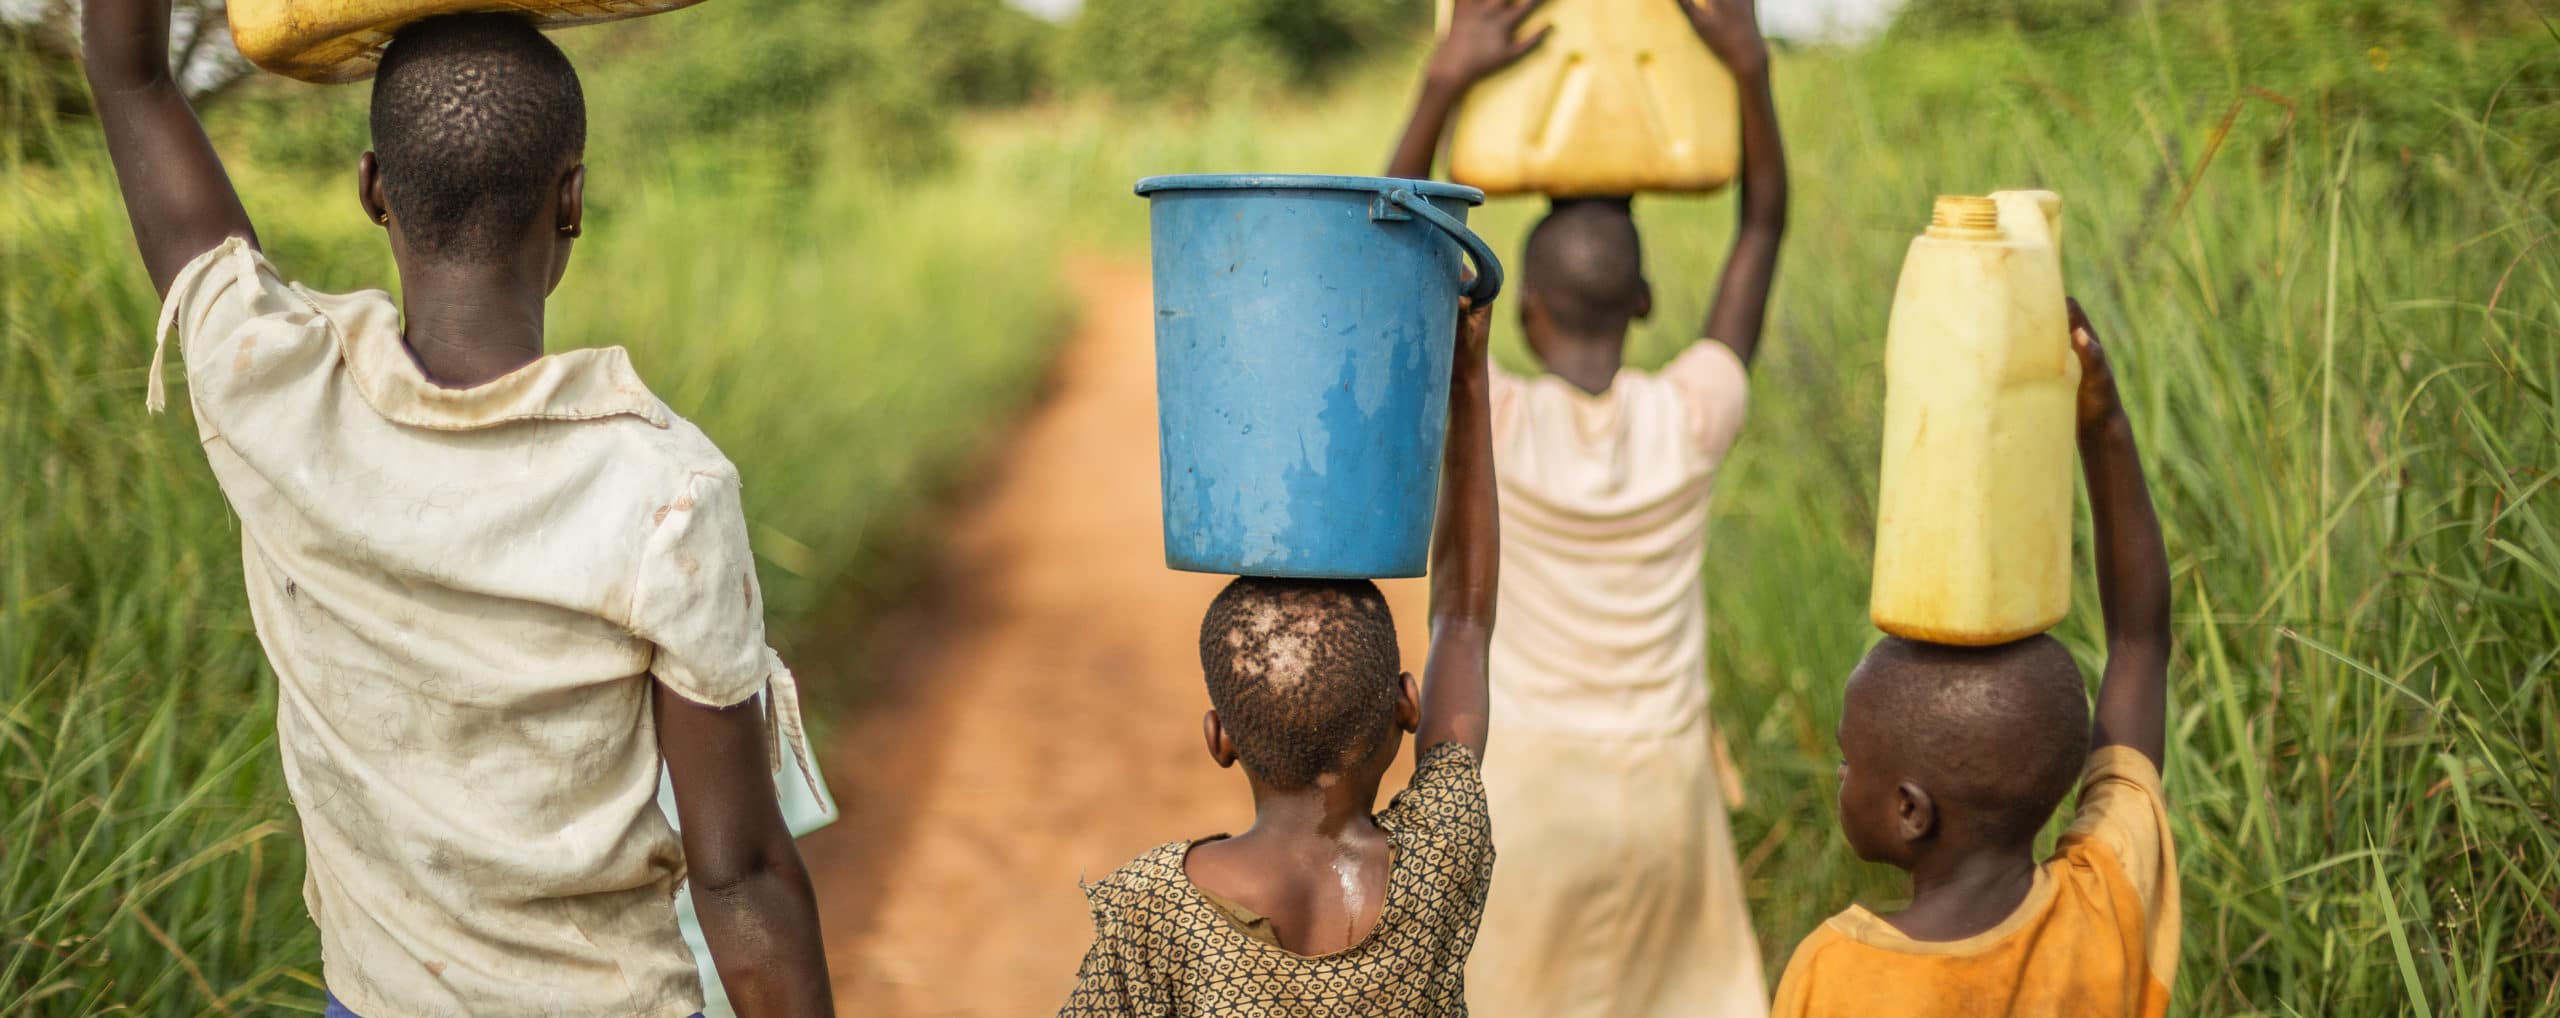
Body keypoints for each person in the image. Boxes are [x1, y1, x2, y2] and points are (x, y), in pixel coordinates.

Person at [82, 6, 833, 1015]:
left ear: (372, 190)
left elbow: (132, 82)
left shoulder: (276, 391)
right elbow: (738, 877)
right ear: (571, 199)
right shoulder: (665, 493)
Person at [1381, 0, 1788, 1014]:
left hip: (1526, 795)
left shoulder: (1494, 421)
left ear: (1526, 311)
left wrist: (1446, 77)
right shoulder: (1688, 419)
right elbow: (1762, 226)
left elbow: (1387, 265)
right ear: (1645, 303)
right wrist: (1749, 70)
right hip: (1665, 797)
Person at [1057, 297, 1501, 1015]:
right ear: (1407, 705)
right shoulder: (1437, 861)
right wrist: (1468, 380)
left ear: (1220, 738)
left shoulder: (1152, 914)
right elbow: (1464, 621)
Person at [1770, 302, 2176, 1017]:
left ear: (1909, 811)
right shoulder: (2107, 898)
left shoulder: (1837, 976)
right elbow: (2140, 644)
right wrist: (2103, 420)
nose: (1840, 772)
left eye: (1849, 760)